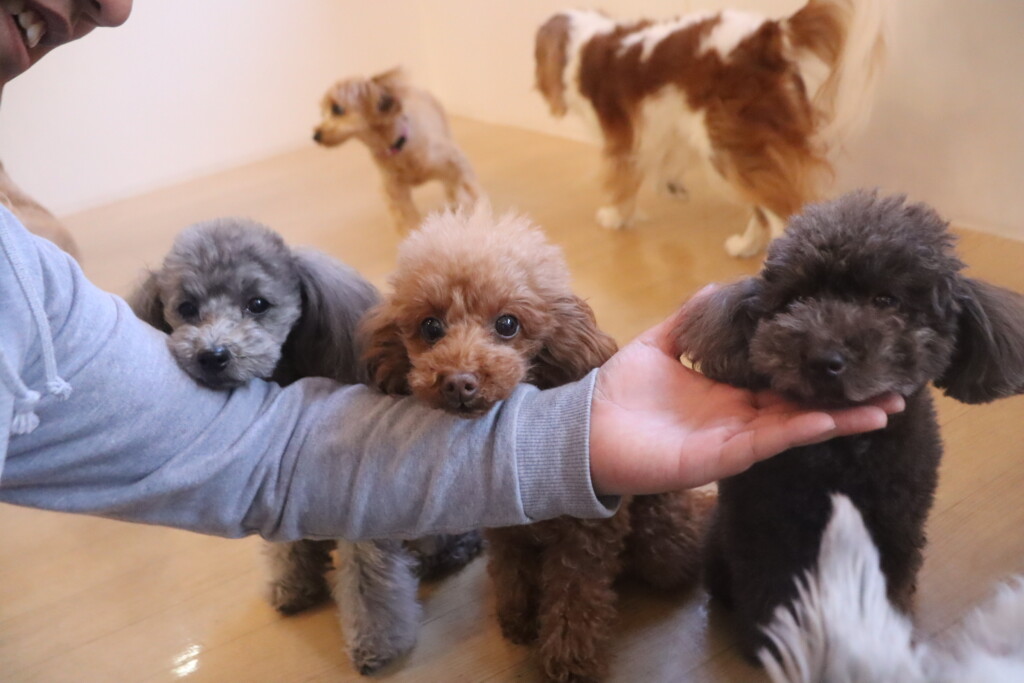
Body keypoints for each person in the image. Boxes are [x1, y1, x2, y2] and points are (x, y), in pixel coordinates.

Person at [0, 0, 903, 541]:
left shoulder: (31, 289)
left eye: (506, 328)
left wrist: (569, 437)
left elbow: (258, 453)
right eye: (430, 329)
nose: (114, 10)